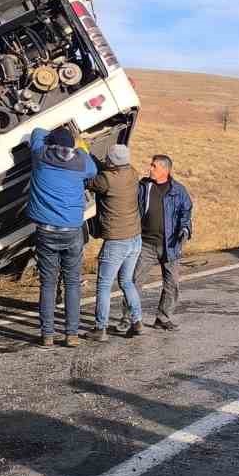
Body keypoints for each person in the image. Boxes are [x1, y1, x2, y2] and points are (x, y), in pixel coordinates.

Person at [27, 125, 97, 346]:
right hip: (71, 230)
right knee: (72, 283)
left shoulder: (41, 154)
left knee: (48, 283)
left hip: (46, 230)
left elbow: (36, 132)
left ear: (51, 143)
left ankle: (47, 334)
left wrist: (48, 135)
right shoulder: (81, 161)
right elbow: (93, 169)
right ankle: (71, 334)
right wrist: (80, 145)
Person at [119, 154, 193, 332]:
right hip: (145, 243)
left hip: (171, 245)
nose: (150, 168)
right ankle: (128, 318)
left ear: (165, 170)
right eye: (151, 165)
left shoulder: (179, 190)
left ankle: (163, 318)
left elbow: (186, 212)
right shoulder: (143, 187)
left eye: (154, 166)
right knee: (135, 281)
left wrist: (185, 230)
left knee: (172, 284)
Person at [88, 144, 143, 341]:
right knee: (126, 282)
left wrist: (87, 156)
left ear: (111, 163)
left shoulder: (105, 180)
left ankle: (100, 328)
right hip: (135, 238)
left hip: (116, 240)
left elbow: (90, 182)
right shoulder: (133, 173)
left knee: (104, 285)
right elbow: (110, 170)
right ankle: (137, 321)